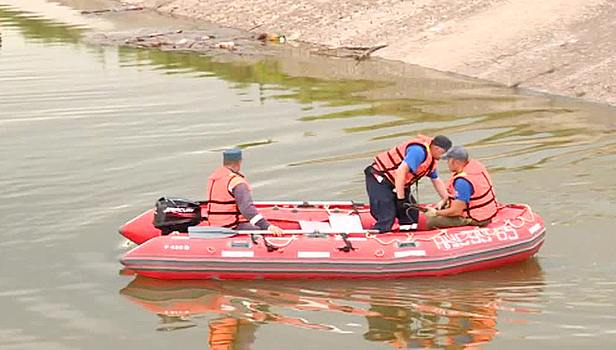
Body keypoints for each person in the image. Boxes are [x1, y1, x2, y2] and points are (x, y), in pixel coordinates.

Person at [365, 134, 452, 232]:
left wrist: (447, 199)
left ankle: (406, 236)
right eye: (443, 153)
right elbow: (400, 172)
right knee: (387, 216)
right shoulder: (418, 152)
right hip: (380, 179)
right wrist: (400, 199)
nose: (443, 157)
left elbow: (436, 180)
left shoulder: (431, 159)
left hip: (397, 184)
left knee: (411, 215)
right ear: (436, 148)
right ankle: (381, 233)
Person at [205, 148, 284, 235]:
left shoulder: (215, 178)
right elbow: (247, 209)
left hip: (214, 224)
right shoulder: (237, 182)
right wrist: (268, 226)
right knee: (259, 229)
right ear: (239, 163)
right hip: (230, 226)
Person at [425, 146, 498, 229]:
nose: (447, 163)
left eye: (448, 160)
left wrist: (436, 213)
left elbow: (456, 211)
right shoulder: (474, 169)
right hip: (486, 213)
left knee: (430, 220)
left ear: (455, 162)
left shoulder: (462, 182)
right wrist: (445, 200)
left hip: (477, 219)